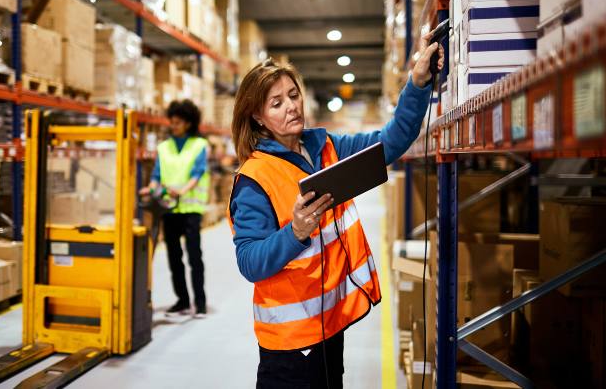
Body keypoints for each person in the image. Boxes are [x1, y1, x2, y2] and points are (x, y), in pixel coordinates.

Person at [227, 33, 443, 388]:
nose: (291, 107)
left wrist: (417, 83)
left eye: (293, 96)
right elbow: (250, 262)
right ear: (258, 117)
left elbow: (391, 142)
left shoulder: (324, 146)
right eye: (276, 103)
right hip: (291, 344)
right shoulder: (254, 179)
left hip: (329, 326)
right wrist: (294, 232)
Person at [140, 99, 210, 318]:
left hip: (190, 210)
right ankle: (182, 300)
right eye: (172, 121)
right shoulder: (164, 147)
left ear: (188, 123)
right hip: (168, 209)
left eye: (178, 122)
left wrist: (181, 190)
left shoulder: (199, 145)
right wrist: (150, 189)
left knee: (194, 257)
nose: (173, 125)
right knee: (173, 257)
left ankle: (199, 303)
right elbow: (157, 175)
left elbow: (197, 174)